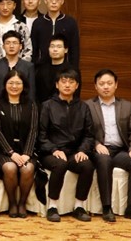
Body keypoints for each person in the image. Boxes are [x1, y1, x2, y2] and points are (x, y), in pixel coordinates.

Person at [87, 69, 131, 222]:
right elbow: (83, 132)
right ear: (95, 86)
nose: (106, 87)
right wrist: (96, 144)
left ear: (116, 85)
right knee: (104, 160)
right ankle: (107, 207)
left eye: (109, 83)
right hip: (99, 150)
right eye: (102, 84)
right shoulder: (87, 106)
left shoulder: (127, 106)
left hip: (120, 151)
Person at [38, 68, 94, 223]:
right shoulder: (47, 106)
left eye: (71, 82)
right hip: (50, 152)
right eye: (63, 81)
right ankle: (52, 206)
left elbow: (89, 135)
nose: (67, 85)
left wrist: (82, 150)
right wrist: (54, 149)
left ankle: (79, 206)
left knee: (87, 165)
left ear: (77, 86)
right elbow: (41, 135)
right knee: (60, 164)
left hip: (74, 152)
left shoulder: (83, 107)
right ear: (57, 85)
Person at [0, 69, 38, 219]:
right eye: (11, 83)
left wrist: (27, 153)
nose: (14, 86)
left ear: (24, 85)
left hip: (26, 149)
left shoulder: (31, 104)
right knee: (10, 168)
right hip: (4, 150)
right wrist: (11, 152)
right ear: (5, 84)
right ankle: (12, 203)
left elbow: (33, 130)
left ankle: (22, 203)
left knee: (27, 168)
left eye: (18, 83)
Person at [31, 0, 81, 68]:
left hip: (65, 69)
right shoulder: (38, 23)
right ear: (45, 0)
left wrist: (74, 70)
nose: (54, 2)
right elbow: (34, 50)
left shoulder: (70, 22)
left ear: (62, 1)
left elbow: (75, 50)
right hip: (42, 68)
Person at [0, 31, 36, 104]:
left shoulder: (28, 66)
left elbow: (31, 93)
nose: (11, 46)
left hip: (22, 106)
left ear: (20, 46)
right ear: (3, 46)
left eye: (15, 43)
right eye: (8, 43)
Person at [34, 33, 78, 104]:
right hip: (42, 108)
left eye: (59, 47)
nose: (55, 49)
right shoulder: (40, 69)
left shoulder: (72, 70)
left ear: (66, 50)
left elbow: (75, 95)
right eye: (52, 46)